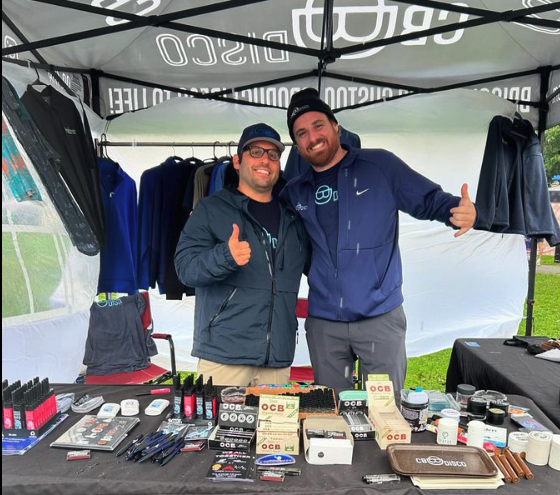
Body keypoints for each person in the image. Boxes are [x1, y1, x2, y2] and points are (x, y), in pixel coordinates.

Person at [281, 88, 477, 390]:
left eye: (318, 125)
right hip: (324, 323)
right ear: (297, 144)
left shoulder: (379, 167)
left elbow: (429, 199)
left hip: (379, 317)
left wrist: (459, 211)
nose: (312, 137)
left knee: (384, 413)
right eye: (301, 133)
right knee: (333, 415)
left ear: (335, 126)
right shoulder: (295, 191)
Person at [175, 123, 308, 386]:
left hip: (277, 360)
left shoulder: (293, 219)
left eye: (273, 155)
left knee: (276, 429)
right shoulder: (211, 209)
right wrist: (225, 256)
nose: (265, 161)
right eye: (256, 152)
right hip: (225, 358)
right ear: (237, 161)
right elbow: (185, 268)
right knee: (220, 428)